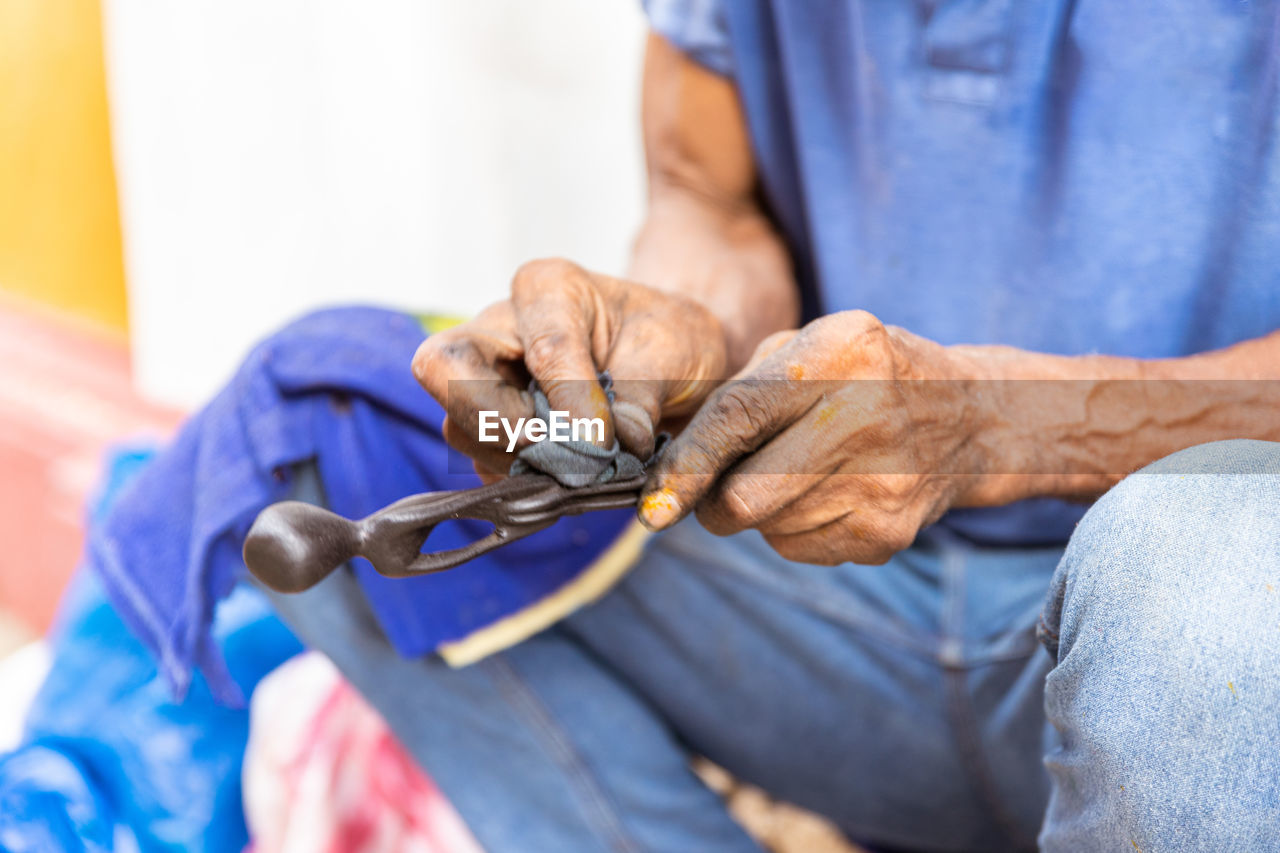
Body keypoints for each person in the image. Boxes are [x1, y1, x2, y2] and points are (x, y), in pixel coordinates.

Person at [300, 3, 1280, 851]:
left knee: (1199, 573)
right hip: (843, 614)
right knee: (335, 405)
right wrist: (677, 338)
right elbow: (706, 200)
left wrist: (994, 422)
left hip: (1196, 662)